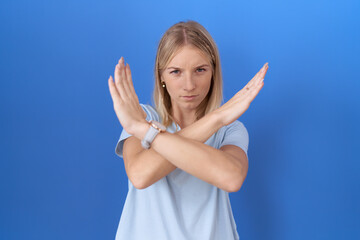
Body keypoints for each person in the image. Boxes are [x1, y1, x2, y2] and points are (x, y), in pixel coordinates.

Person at [108, 20, 269, 240]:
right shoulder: (145, 117)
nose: (189, 85)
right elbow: (140, 175)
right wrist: (215, 118)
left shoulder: (230, 130)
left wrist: (147, 133)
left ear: (213, 72)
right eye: (176, 72)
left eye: (200, 70)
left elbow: (231, 178)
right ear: (161, 76)